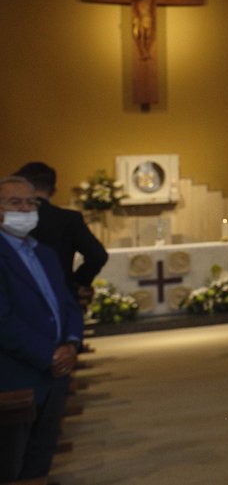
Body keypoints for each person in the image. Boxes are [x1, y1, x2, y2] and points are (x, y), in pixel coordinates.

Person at [0, 176, 84, 482]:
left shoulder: (44, 253)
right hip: (16, 374)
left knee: (40, 457)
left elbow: (67, 304)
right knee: (11, 465)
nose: (25, 209)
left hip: (55, 373)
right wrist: (50, 355)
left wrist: (72, 344)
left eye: (31, 202)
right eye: (14, 203)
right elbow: (4, 322)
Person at [14, 161, 109, 303]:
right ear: (52, 191)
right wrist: (76, 282)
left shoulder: (9, 218)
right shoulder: (68, 219)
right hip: (60, 294)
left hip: (17, 295)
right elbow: (97, 255)